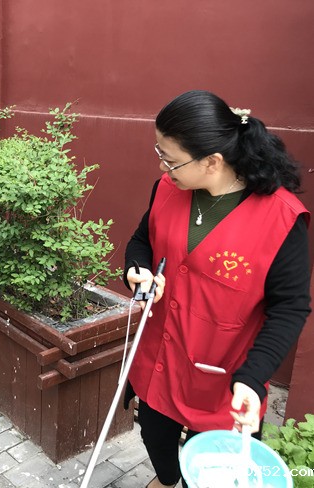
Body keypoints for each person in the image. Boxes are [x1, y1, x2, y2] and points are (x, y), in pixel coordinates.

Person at [124, 90, 310, 488]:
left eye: (171, 159)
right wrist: (137, 270)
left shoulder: (281, 220)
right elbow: (142, 240)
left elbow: (290, 307)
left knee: (215, 471)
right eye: (160, 153)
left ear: (212, 161)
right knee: (153, 434)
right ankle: (166, 480)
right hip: (160, 359)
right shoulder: (167, 188)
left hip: (225, 377)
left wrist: (254, 377)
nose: (162, 166)